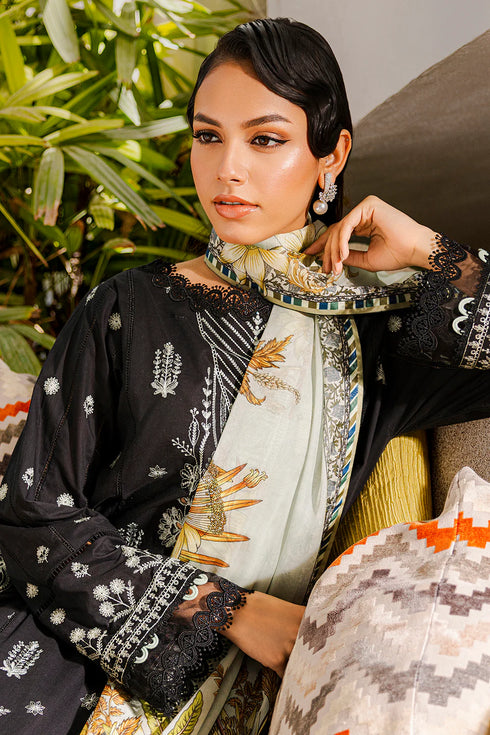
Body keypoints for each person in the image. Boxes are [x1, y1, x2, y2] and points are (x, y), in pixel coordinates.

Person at [0, 16, 489, 735]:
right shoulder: (126, 306)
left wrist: (430, 250)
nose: (227, 168)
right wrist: (225, 608)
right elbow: (31, 512)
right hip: (56, 657)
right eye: (209, 136)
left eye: (265, 139)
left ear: (332, 154)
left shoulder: (375, 330)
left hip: (233, 694)